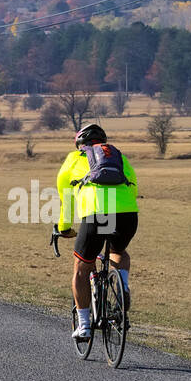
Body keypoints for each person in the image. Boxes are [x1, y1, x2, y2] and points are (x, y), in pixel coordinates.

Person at [55, 123, 138, 340]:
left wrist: (64, 228)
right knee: (118, 250)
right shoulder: (119, 156)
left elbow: (66, 198)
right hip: (128, 214)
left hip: (98, 214)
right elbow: (134, 187)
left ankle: (83, 325)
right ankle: (123, 287)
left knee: (82, 266)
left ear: (80, 144)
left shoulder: (74, 159)